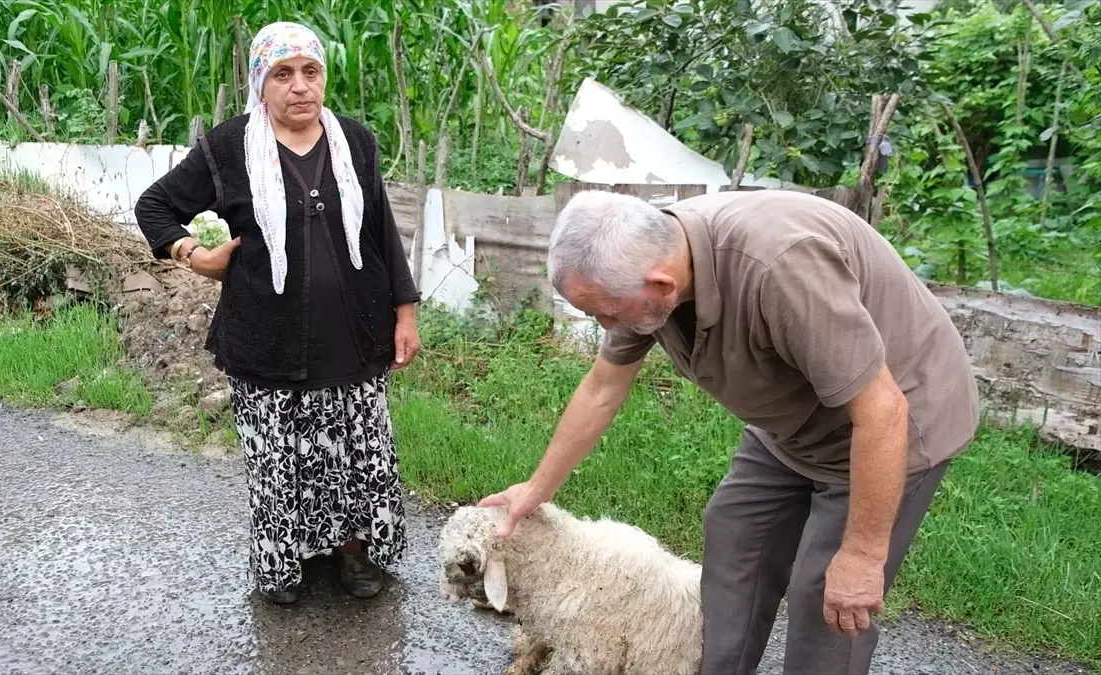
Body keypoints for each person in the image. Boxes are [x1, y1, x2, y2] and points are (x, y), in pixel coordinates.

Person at [480, 189, 980, 675]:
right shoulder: (644, 264)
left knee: (826, 594)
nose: (603, 324)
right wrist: (537, 488)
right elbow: (601, 389)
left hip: (892, 420)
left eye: (605, 313)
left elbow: (882, 410)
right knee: (734, 539)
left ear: (661, 287)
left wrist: (864, 556)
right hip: (789, 424)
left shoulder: (781, 267)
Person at [133, 21, 421, 605]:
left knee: (355, 453)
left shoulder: (356, 143)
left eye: (310, 72)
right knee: (277, 461)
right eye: (282, 75)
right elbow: (155, 205)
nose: (299, 87)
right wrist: (192, 253)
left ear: (323, 78)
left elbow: (381, 234)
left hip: (353, 336)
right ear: (260, 84)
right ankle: (281, 562)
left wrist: (405, 312)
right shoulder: (228, 147)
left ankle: (354, 553)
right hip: (266, 336)